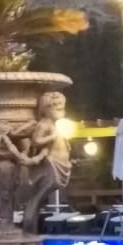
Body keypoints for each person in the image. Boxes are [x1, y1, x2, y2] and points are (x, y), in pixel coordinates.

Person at [23, 91, 72, 233]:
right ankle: (29, 223)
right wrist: (52, 136)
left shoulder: (55, 125)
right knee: (39, 195)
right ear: (47, 109)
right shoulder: (44, 124)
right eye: (58, 109)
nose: (63, 112)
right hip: (52, 164)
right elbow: (36, 140)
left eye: (63, 109)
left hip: (61, 164)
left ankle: (31, 223)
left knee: (42, 195)